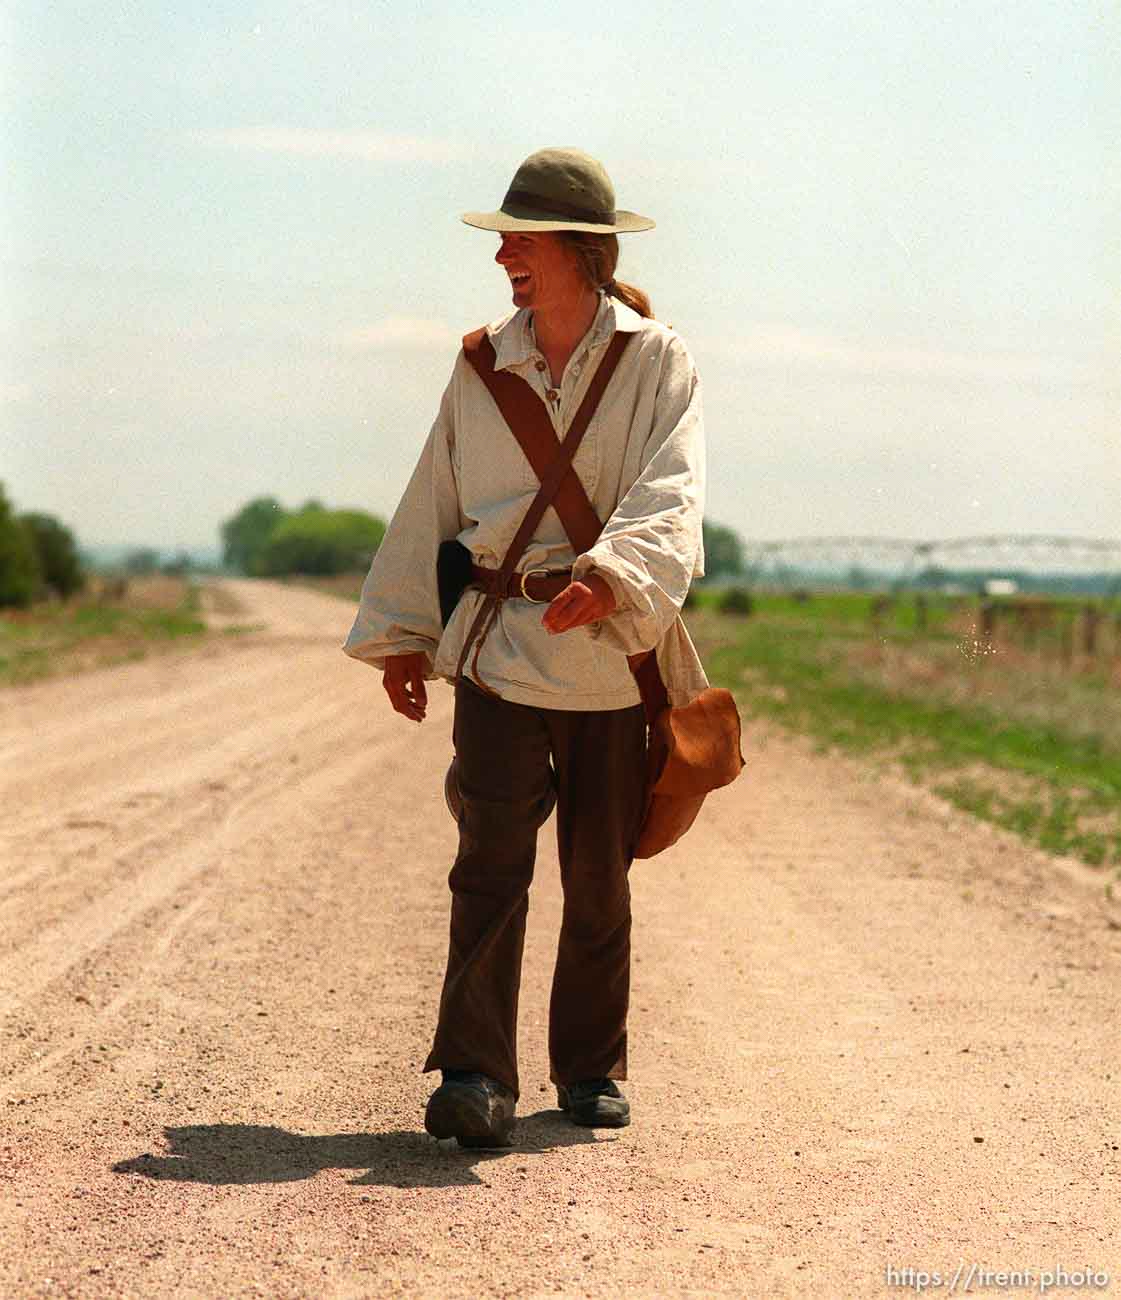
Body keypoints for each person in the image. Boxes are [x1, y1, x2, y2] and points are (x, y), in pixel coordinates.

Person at [343, 147, 710, 1148]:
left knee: (596, 873)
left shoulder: (656, 360)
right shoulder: (478, 365)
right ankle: (472, 1074)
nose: (503, 250)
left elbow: (669, 494)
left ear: (579, 249)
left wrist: (612, 580)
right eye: (502, 236)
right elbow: (436, 497)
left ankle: (589, 1066)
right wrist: (403, 636)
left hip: (610, 659)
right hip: (502, 651)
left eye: (521, 235)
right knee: (488, 862)